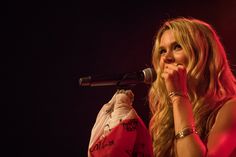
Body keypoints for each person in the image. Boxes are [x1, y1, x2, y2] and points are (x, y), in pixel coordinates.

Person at [148, 17, 236, 156]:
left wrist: (179, 97)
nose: (166, 58)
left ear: (203, 55)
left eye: (177, 47)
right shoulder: (163, 116)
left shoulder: (231, 108)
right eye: (162, 51)